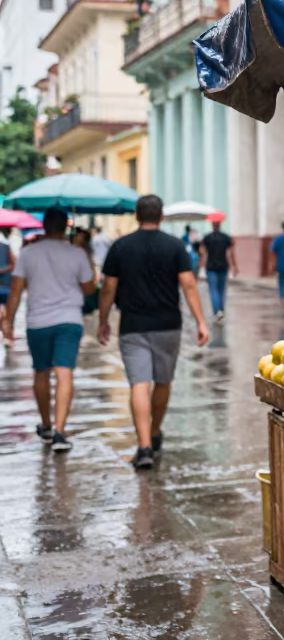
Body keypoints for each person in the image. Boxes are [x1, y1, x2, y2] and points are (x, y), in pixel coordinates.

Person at [98, 195, 211, 470]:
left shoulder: (120, 247)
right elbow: (189, 285)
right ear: (161, 217)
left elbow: (109, 288)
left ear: (137, 216)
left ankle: (144, 446)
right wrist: (201, 321)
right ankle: (156, 430)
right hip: (167, 324)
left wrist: (103, 320)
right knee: (163, 382)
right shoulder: (174, 246)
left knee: (139, 384)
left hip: (133, 326)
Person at [1, 209, 96, 452]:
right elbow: (88, 289)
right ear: (65, 226)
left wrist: (8, 322)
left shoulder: (28, 253)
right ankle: (60, 431)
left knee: (41, 372)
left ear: (44, 226)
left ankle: (45, 423)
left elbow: (16, 289)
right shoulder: (76, 253)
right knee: (64, 372)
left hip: (38, 322)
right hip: (69, 320)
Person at [199, 220, 237, 322]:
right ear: (220, 225)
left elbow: (202, 253)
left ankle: (217, 311)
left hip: (211, 267)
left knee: (213, 290)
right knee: (221, 290)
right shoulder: (226, 237)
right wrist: (234, 266)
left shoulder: (207, 237)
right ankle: (221, 309)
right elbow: (231, 253)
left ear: (212, 225)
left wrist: (200, 266)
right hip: (223, 266)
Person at [0, 227, 13, 345]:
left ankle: (7, 333)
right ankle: (7, 334)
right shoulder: (6, 246)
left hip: (4, 285)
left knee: (2, 311)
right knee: (4, 310)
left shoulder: (6, 246)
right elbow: (13, 264)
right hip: (6, 285)